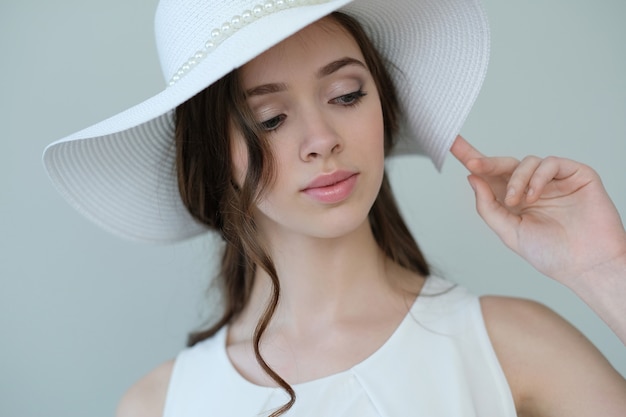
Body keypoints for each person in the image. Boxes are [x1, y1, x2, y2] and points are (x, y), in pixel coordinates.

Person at [42, 0, 626, 416]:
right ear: (215, 158)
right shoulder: (157, 405)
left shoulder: (511, 344)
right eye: (269, 119)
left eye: (346, 95)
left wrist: (604, 270)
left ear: (383, 109)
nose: (321, 137)